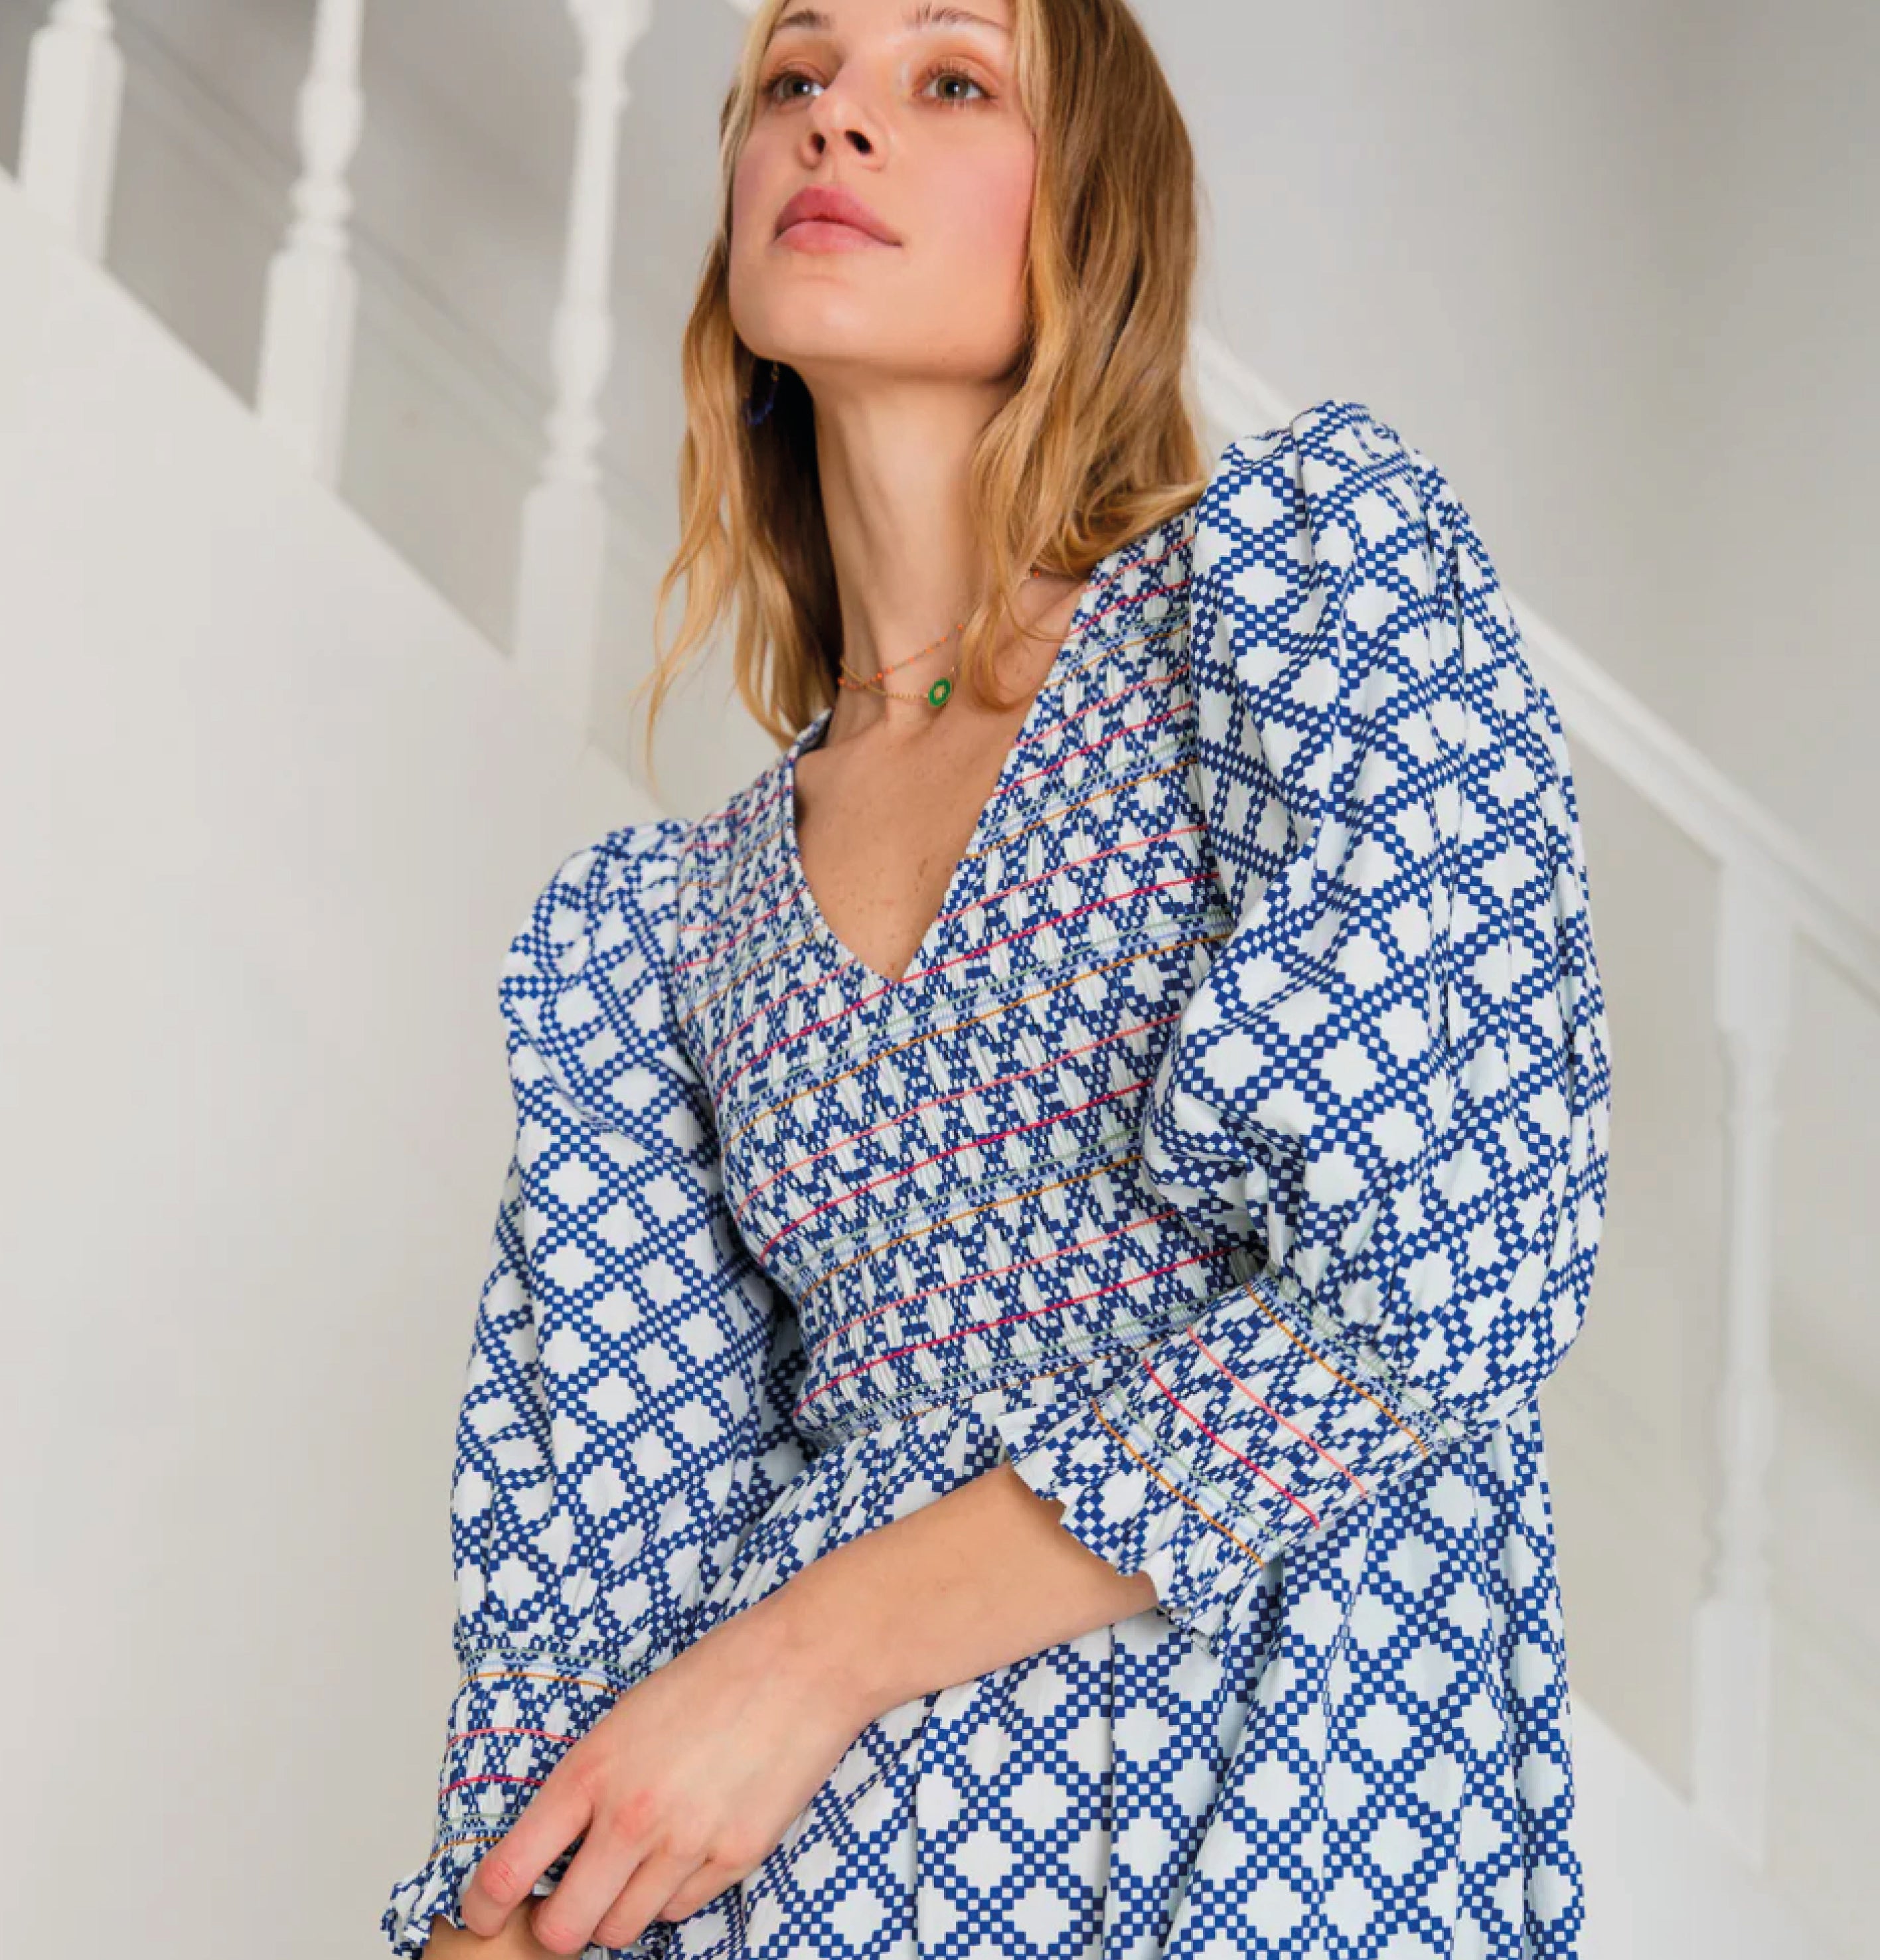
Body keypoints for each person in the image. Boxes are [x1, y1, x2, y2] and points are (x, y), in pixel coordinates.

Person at [379, 1, 1614, 1955]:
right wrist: (501, 1915)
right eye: (795, 79)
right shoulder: (665, 927)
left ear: (1093, 216)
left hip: (1280, 1815)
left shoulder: (1287, 611)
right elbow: (590, 1554)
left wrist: (801, 1661)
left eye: (947, 81)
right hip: (803, 1890)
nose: (836, 124)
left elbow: (1443, 1281)